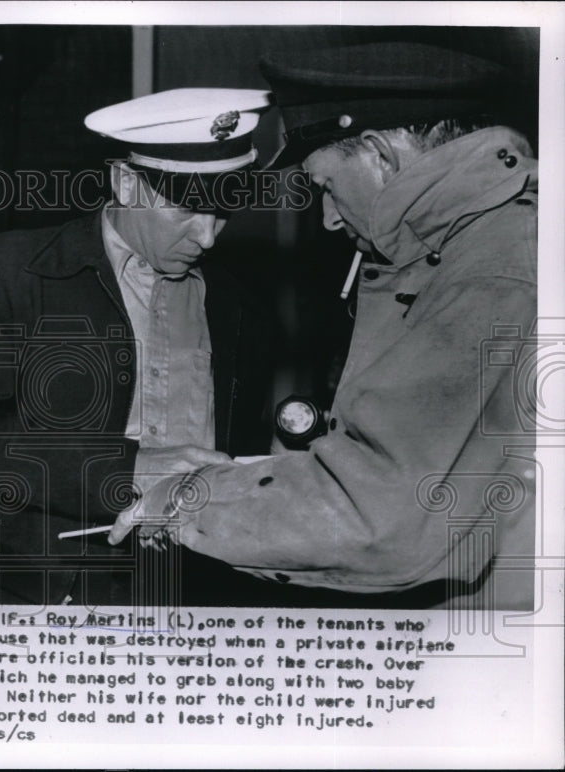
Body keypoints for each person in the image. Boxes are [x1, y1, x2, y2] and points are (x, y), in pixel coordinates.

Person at [110, 42, 537, 611]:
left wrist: (188, 499)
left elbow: (380, 517)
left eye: (326, 186)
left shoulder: (491, 270)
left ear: (380, 155)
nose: (330, 218)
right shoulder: (497, 237)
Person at [0, 89, 277, 606]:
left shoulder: (240, 305)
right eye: (188, 208)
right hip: (24, 589)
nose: (208, 237)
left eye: (224, 212)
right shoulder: (12, 270)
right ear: (126, 182)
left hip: (185, 590)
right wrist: (123, 469)